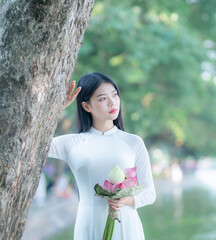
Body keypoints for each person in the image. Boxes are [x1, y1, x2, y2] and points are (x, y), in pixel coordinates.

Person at [48, 72, 156, 240]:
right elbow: (31, 143)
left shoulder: (133, 142)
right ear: (86, 106)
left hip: (127, 227)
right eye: (102, 98)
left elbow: (149, 193)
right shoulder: (72, 143)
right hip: (88, 226)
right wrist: (56, 109)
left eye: (114, 95)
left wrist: (125, 200)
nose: (112, 102)